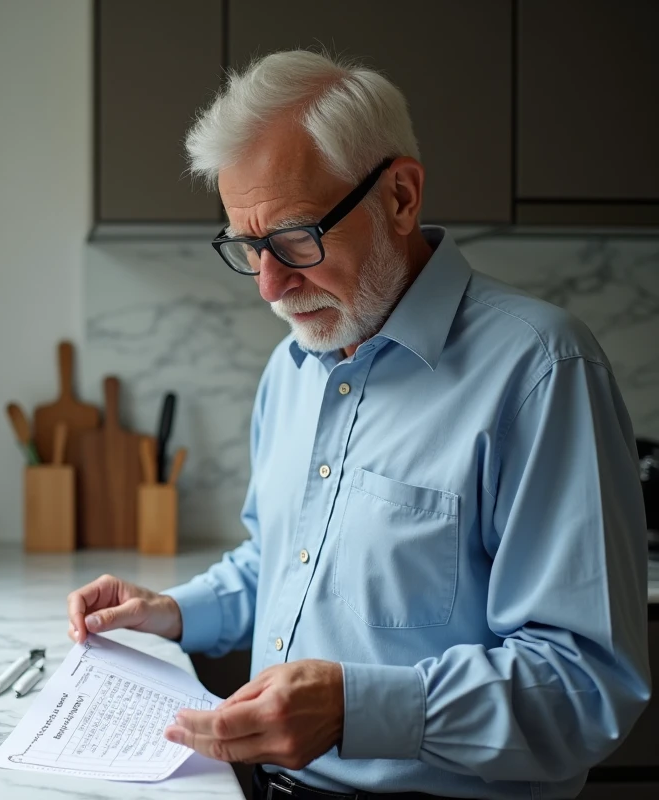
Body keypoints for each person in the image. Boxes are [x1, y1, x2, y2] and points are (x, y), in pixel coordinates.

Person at [66, 50, 651, 799]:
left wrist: (354, 710)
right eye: (248, 247)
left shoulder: (542, 370)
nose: (270, 286)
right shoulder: (293, 365)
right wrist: (175, 612)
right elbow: (284, 561)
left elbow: (586, 684)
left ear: (400, 196)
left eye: (295, 239)